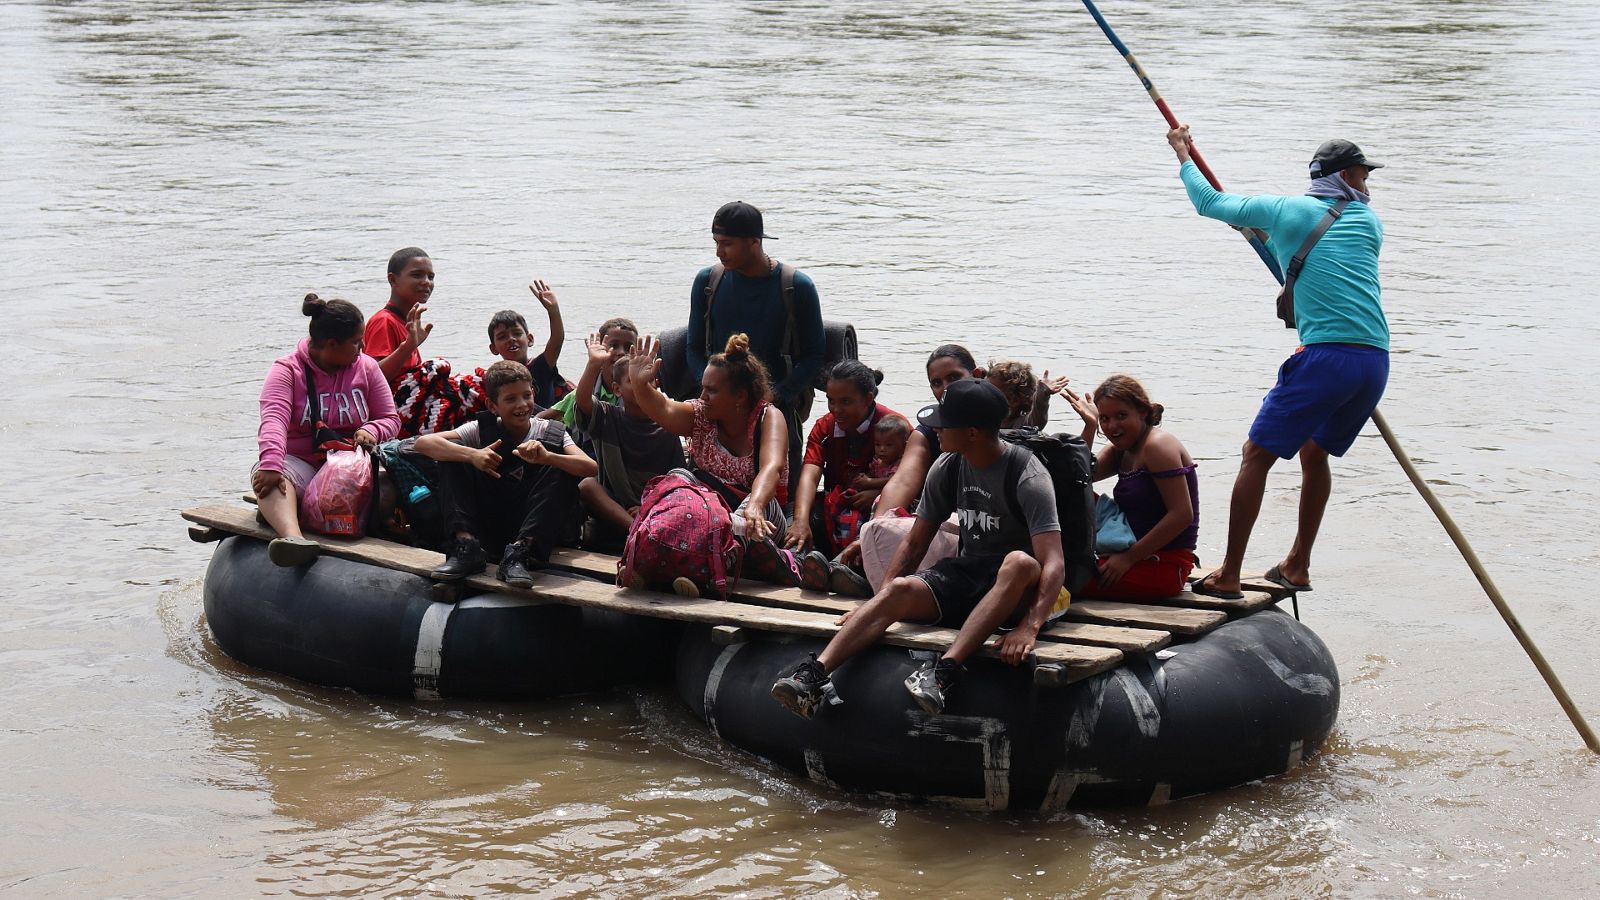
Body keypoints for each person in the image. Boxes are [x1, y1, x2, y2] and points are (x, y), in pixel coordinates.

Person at [1168, 125, 1390, 599]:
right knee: (1315, 452)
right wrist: (1264, 238)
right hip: (1374, 361)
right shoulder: (1369, 224)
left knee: (1255, 456)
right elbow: (1313, 257)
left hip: (1326, 357)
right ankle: (1298, 565)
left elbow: (1208, 203)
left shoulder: (1288, 210)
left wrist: (1184, 154)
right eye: (1361, 173)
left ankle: (1228, 574)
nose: (1367, 184)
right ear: (1341, 176)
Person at [770, 379, 1065, 719]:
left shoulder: (1026, 474)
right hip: (970, 573)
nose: (935, 428)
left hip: (1019, 587)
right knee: (900, 588)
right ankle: (814, 676)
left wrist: (1029, 625)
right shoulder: (949, 465)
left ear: (972, 432)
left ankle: (945, 673)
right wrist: (881, 601)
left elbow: (1053, 561)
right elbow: (915, 542)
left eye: (944, 422)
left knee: (1017, 561)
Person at [628, 333, 796, 583]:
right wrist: (639, 385)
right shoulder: (700, 415)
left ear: (739, 396)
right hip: (708, 519)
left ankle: (708, 572)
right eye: (703, 388)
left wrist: (755, 506)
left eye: (712, 391)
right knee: (678, 478)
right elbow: (663, 409)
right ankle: (645, 557)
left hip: (760, 519)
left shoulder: (768, 417)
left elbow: (771, 468)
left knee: (752, 508)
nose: (703, 396)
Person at [686, 201, 823, 495]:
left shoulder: (796, 286)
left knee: (782, 494)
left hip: (776, 406)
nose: (719, 252)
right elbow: (693, 347)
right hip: (718, 408)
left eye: (727, 244)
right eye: (716, 243)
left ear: (754, 242)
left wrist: (778, 395)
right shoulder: (707, 282)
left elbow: (815, 355)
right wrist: (710, 391)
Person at [254, 295, 401, 567]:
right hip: (304, 464)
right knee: (272, 479)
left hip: (350, 466)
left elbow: (390, 418)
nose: (362, 348)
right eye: (356, 342)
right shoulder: (287, 371)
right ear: (332, 345)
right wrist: (271, 464)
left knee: (393, 481)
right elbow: (274, 420)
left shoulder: (366, 368)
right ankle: (293, 539)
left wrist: (372, 429)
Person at [420, 360, 597, 588]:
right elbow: (425, 443)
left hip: (534, 526)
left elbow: (590, 467)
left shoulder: (548, 431)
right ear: (492, 405)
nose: (522, 405)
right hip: (491, 522)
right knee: (451, 458)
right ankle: (467, 548)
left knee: (562, 468)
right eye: (510, 399)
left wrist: (548, 457)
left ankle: (519, 554)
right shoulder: (478, 429)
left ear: (533, 394)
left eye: (526, 396)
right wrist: (472, 455)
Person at [1078, 376, 1199, 600]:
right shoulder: (1121, 448)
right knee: (1073, 495)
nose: (1112, 426)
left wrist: (1128, 559)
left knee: (1063, 577)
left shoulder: (1157, 446)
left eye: (1121, 416)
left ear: (1142, 412)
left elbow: (1182, 515)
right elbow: (1076, 478)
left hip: (1163, 563)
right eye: (1104, 419)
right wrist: (1089, 426)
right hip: (1126, 546)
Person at [573, 333, 687, 548]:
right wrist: (593, 364)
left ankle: (643, 533)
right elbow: (583, 401)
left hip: (655, 507)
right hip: (617, 508)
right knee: (588, 486)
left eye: (648, 378)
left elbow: (677, 480)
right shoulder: (608, 417)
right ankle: (640, 532)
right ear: (617, 389)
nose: (642, 383)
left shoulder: (667, 426)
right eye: (632, 380)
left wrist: (648, 505)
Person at [784, 360, 903, 558]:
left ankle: (844, 571)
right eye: (831, 401)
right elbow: (810, 475)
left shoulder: (896, 427)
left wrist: (877, 494)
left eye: (845, 402)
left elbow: (911, 479)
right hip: (836, 503)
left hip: (878, 507)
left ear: (867, 399)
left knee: (884, 527)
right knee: (795, 517)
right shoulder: (825, 427)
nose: (836, 409)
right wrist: (800, 521)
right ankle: (799, 563)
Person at [486, 278, 569, 408]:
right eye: (502, 337)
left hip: (545, 424)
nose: (511, 339)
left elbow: (557, 341)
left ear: (529, 339)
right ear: (493, 348)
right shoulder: (496, 379)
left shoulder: (540, 367)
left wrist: (553, 311)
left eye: (517, 333)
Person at [543, 317, 637, 428]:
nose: (621, 352)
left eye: (628, 347)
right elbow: (541, 418)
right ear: (600, 349)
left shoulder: (638, 393)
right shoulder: (584, 391)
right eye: (614, 346)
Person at [365, 247, 434, 387]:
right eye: (417, 275)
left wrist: (413, 344)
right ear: (393, 279)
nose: (426, 282)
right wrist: (408, 347)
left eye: (430, 277)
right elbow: (372, 378)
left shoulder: (405, 322)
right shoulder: (384, 321)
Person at [987, 361, 1069, 429]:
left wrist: (1043, 394)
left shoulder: (1020, 425)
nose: (983, 392)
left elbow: (1037, 418)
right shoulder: (982, 416)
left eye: (989, 391)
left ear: (1014, 400)